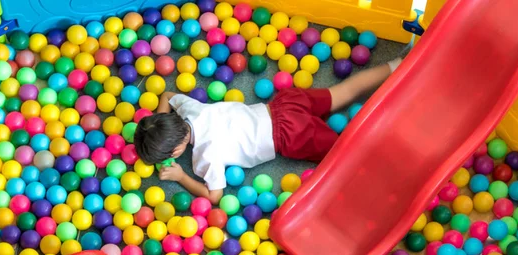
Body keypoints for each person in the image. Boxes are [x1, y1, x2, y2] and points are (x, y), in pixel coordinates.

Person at [134, 57, 403, 204]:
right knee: (343, 92)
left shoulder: (206, 155)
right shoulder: (190, 109)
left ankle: (394, 140)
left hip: (288, 136)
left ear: (176, 151)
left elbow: (213, 196)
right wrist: (160, 123)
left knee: (346, 153)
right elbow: (168, 95)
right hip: (283, 106)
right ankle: (397, 64)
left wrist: (181, 176)